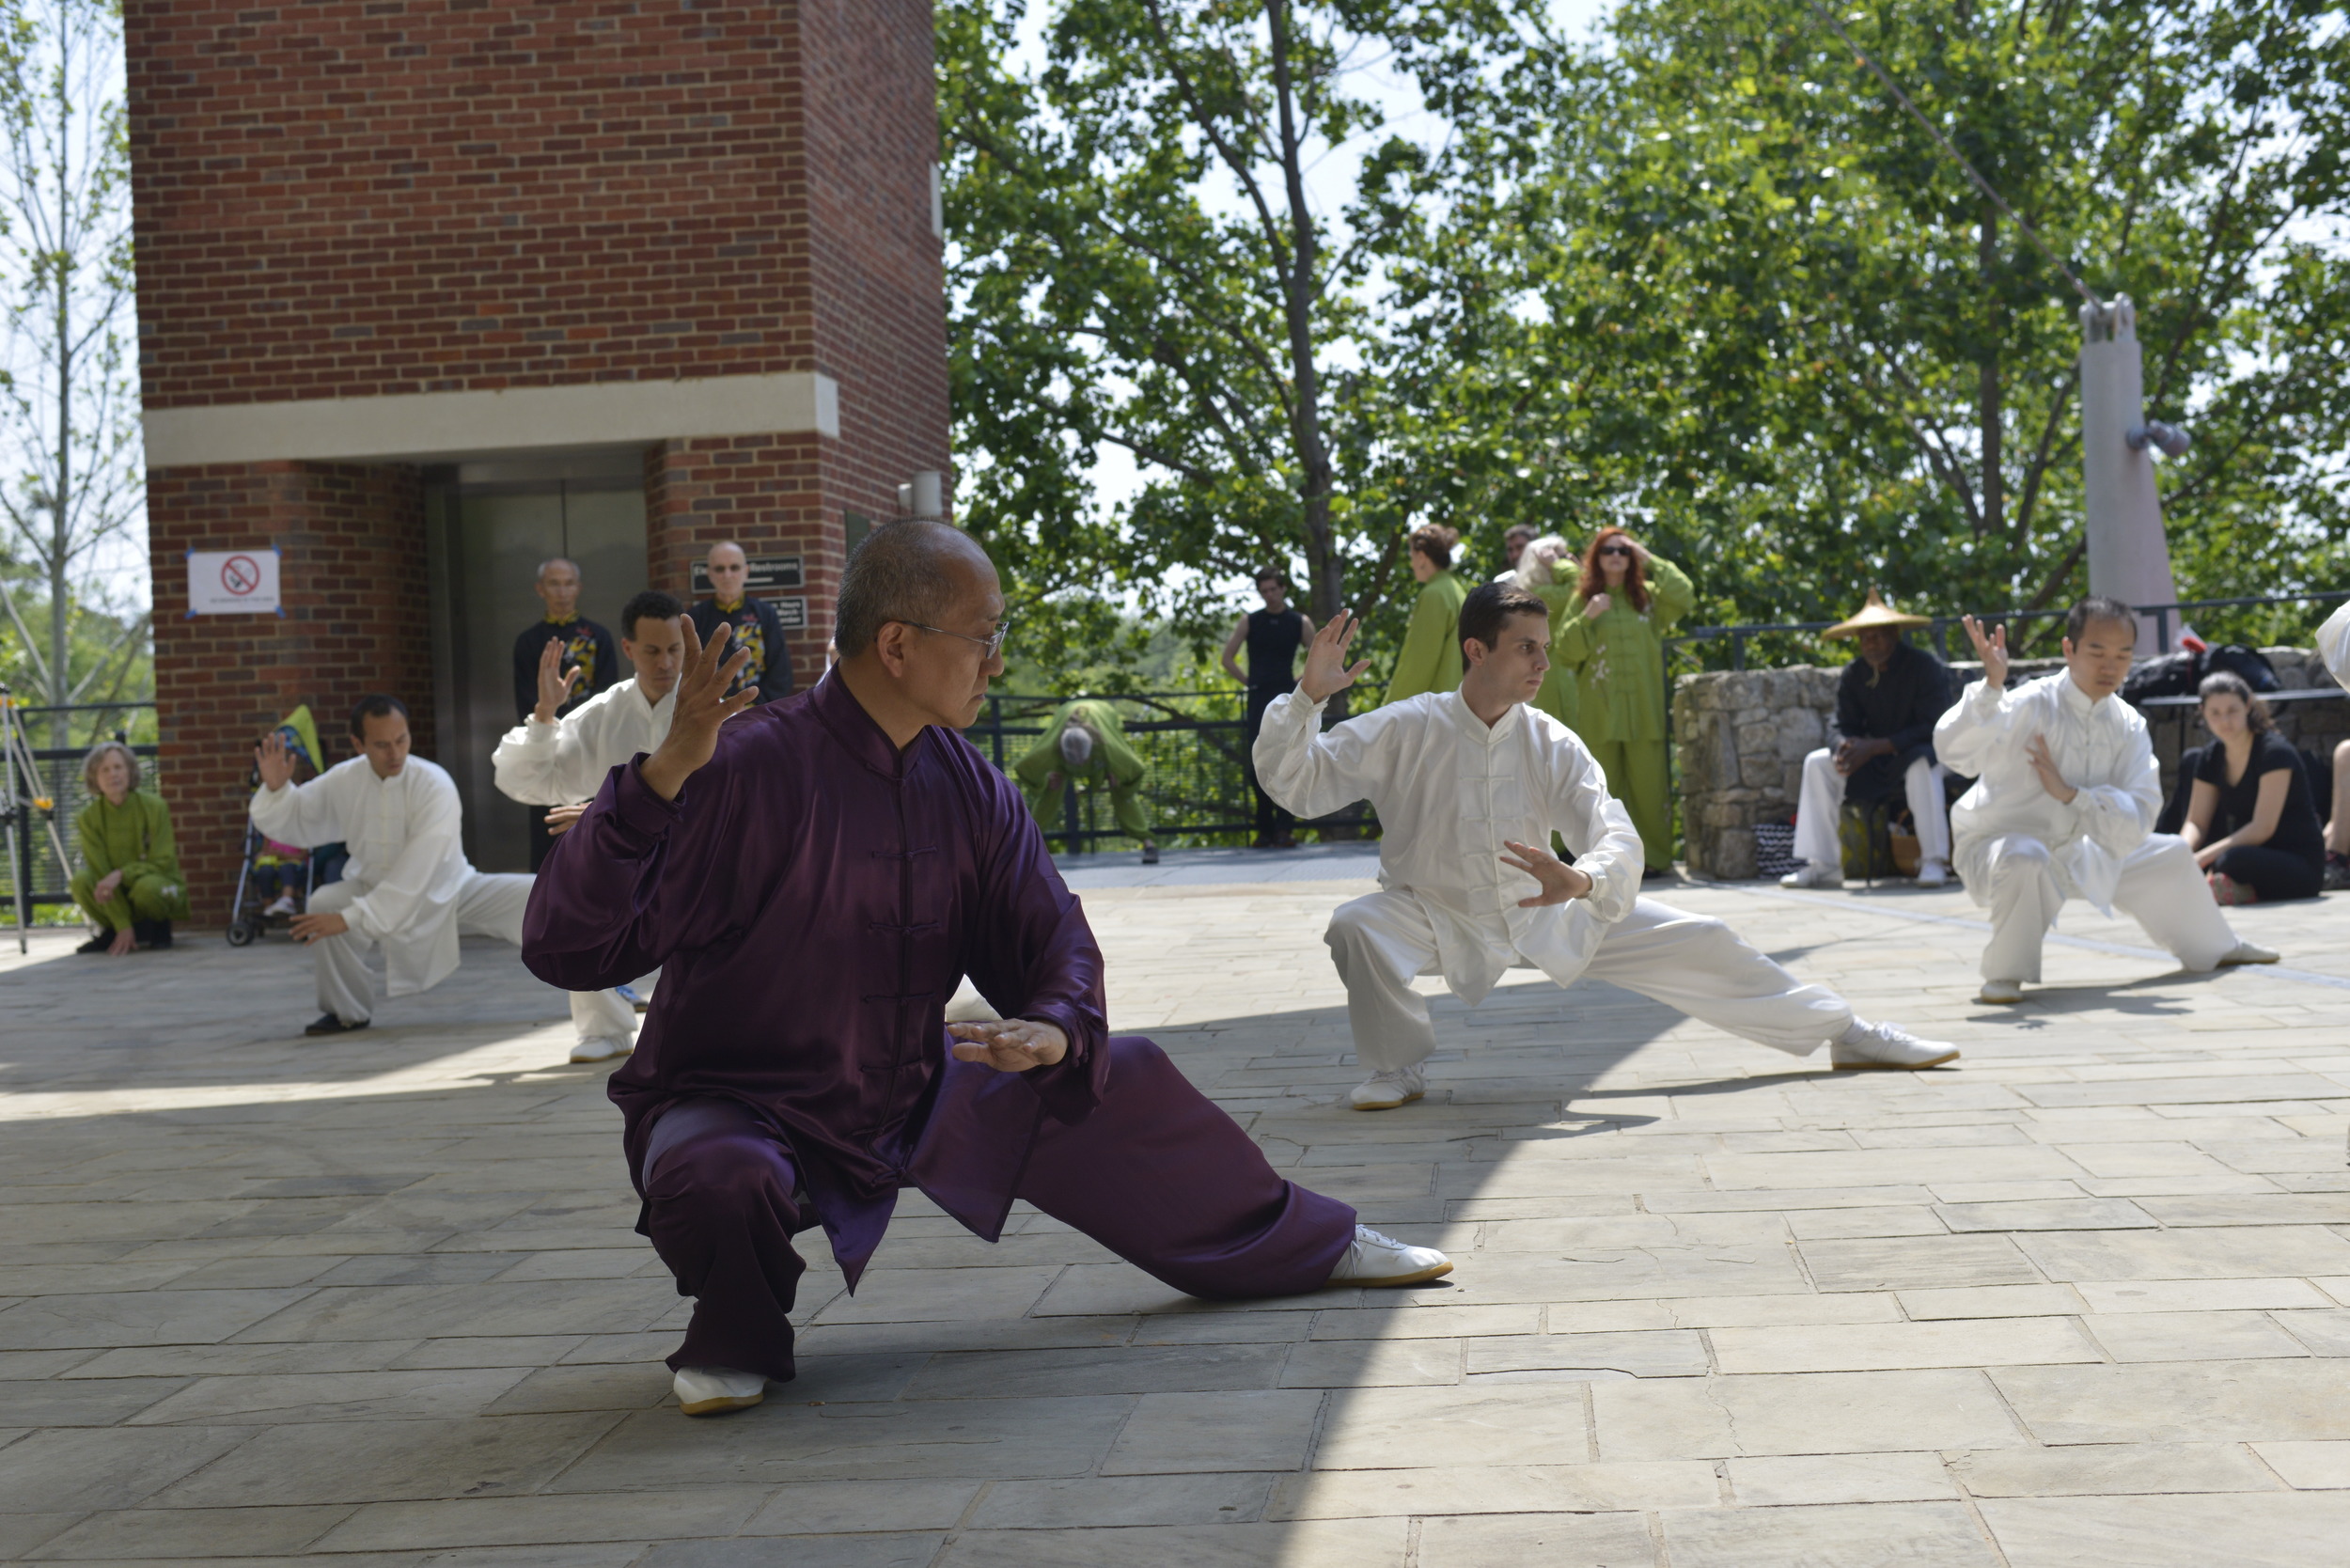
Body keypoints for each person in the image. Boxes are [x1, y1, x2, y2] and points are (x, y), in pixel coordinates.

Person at [522, 520, 1449, 1419]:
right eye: (983, 637)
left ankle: (1309, 1243)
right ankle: (735, 1330)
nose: (996, 661)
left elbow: (1049, 935)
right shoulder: (742, 764)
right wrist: (655, 783)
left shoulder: (971, 788)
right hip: (743, 1098)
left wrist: (1051, 1022)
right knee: (716, 1178)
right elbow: (570, 946)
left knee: (1119, 1075)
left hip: (913, 1084)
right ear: (897, 644)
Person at [1255, 583, 1958, 1113]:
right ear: (1478, 649)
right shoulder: (1407, 727)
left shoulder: (1548, 738)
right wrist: (1305, 701)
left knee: (1705, 936)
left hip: (1543, 906)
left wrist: (1584, 880)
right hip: (1433, 912)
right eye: (1526, 646)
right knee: (1357, 926)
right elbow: (1300, 781)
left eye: (1543, 646)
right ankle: (1394, 1067)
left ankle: (1848, 1030)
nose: (1541, 661)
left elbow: (1612, 828)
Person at [249, 695, 638, 1061]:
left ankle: (610, 1029)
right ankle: (345, 1012)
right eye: (382, 745)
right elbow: (300, 816)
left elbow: (418, 870)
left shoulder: (433, 783)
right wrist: (277, 789)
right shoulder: (344, 779)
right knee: (324, 904)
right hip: (371, 888)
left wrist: (352, 919)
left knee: (559, 904)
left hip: (452, 891)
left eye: (401, 740)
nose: (395, 752)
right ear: (358, 744)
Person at [1936, 601, 2279, 1006]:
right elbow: (1954, 751)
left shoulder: (2127, 722)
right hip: (2002, 845)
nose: (2109, 666)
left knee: (2169, 853)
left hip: (2084, 847)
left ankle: (2219, 945)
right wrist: (1992, 688)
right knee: (2024, 854)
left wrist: (2073, 796)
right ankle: (2005, 974)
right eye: (2097, 652)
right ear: (2069, 650)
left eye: (2123, 655)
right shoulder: (2029, 702)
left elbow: (2141, 811)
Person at [492, 589, 693, 1059]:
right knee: (575, 879)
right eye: (652, 650)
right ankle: (607, 1026)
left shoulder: (709, 705)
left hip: (696, 854)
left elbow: (731, 796)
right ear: (628, 649)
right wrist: (545, 714)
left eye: (675, 649)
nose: (665, 662)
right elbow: (534, 780)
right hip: (624, 860)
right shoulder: (606, 711)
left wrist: (607, 809)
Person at [1781, 590, 1958, 889]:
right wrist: (1842, 747)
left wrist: (1878, 746)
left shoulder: (1924, 667)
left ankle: (1933, 860)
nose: (1869, 644)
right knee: (1817, 763)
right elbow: (1840, 723)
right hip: (1871, 759)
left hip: (1917, 753)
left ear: (1893, 635)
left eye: (1876, 637)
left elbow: (1934, 725)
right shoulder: (1854, 674)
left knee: (1920, 764)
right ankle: (1823, 864)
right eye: (1864, 638)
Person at [1554, 527, 1696, 876]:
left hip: (1644, 713)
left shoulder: (1647, 598)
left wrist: (1649, 557)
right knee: (1601, 790)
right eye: (1608, 550)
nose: (1616, 556)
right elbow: (1565, 651)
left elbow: (1685, 595)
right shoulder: (1583, 598)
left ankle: (1654, 861)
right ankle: (1604, 863)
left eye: (1624, 551)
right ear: (1596, 558)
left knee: (1650, 790)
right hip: (1600, 714)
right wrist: (1588, 615)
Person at [2178, 670, 2325, 905]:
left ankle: (2225, 886)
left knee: (2230, 859)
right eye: (2215, 713)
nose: (2225, 721)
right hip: (2252, 857)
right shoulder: (2210, 757)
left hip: (2298, 865)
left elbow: (2262, 828)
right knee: (2211, 857)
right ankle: (2227, 887)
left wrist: (2202, 858)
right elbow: (2197, 822)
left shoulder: (2275, 752)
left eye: (2232, 711)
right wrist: (2179, 853)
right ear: (2203, 712)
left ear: (2247, 706)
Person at [511, 557, 619, 870]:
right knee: (547, 838)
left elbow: (609, 696)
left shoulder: (598, 637)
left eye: (568, 583)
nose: (562, 591)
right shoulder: (528, 642)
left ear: (579, 588)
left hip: (592, 752)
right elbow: (526, 701)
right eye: (554, 584)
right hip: (547, 754)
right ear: (540, 589)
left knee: (593, 834)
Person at [69, 742, 189, 955]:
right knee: (81, 882)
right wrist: (122, 923)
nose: (112, 774)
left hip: (155, 885)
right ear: (94, 777)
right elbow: (100, 873)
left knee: (147, 888)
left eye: (118, 767)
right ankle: (115, 930)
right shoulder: (88, 818)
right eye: (104, 770)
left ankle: (159, 928)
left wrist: (121, 874)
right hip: (115, 895)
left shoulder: (155, 807)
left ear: (130, 770)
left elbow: (161, 861)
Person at [1221, 570, 1314, 848]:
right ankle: (1264, 830)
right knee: (1256, 763)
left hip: (1288, 699)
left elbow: (1317, 655)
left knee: (1288, 759)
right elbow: (1227, 658)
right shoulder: (1250, 621)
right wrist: (1249, 683)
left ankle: (1285, 829)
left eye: (1273, 589)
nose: (1269, 595)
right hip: (1259, 698)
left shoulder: (1300, 621)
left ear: (1283, 589)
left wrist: (1299, 682)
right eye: (1264, 591)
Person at [1013, 698, 1160, 865]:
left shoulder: (1108, 747)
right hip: (1065, 721)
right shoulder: (1051, 749)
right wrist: (1045, 780)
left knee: (1121, 791)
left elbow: (1136, 770)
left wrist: (1120, 782)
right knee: (1051, 790)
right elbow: (1025, 770)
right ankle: (1023, 848)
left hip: (1103, 718)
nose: (1079, 765)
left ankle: (1149, 844)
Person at [689, 541, 793, 708]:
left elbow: (780, 674)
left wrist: (752, 707)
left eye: (734, 567)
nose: (727, 575)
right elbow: (689, 673)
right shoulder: (696, 617)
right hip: (709, 714)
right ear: (709, 574)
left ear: (746, 572)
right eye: (719, 569)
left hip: (758, 714)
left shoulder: (766, 614)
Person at [1384, 524, 1469, 705]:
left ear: (1422, 557)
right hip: (1457, 703)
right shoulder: (1456, 590)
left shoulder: (1434, 594)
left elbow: (1418, 662)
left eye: (1412, 556)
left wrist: (1388, 709)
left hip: (1434, 712)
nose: (1411, 562)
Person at [1512, 534, 1581, 731]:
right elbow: (1580, 585)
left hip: (1559, 675)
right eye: (1559, 558)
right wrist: (1562, 566)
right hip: (1554, 679)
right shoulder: (1539, 594)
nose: (1566, 562)